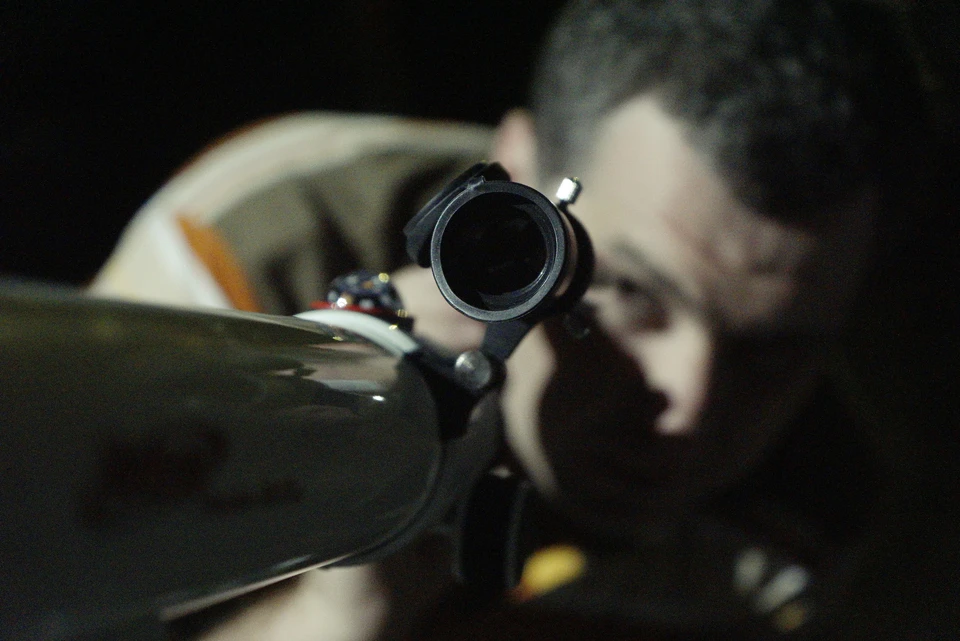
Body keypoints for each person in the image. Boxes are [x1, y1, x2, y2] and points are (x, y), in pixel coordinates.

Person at [92, 0, 941, 638]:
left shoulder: (802, 515)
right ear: (521, 172)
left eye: (771, 352)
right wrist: (333, 617)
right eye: (632, 291)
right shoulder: (257, 252)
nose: (690, 406)